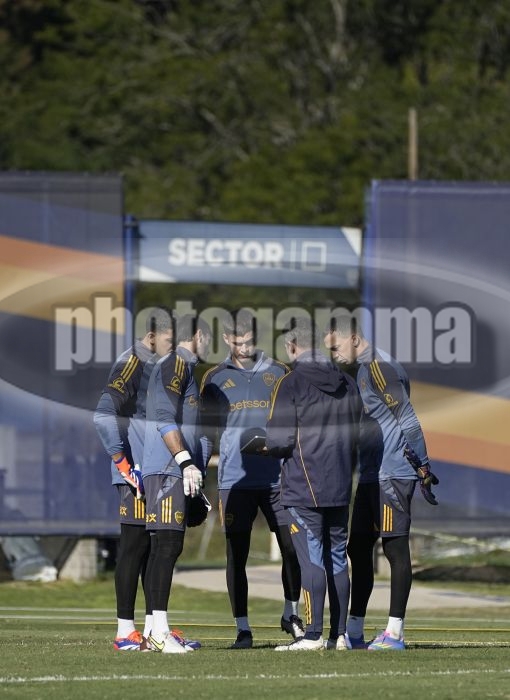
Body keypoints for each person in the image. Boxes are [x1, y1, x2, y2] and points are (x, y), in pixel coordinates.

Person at [324, 314, 439, 651]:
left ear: (353, 338)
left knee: (394, 548)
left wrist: (423, 466)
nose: (335, 355)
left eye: (336, 347)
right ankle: (354, 631)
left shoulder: (378, 367)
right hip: (372, 473)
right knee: (358, 548)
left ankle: (395, 633)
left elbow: (408, 419)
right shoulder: (363, 370)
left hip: (393, 473)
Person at [200, 308, 303, 649]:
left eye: (250, 341)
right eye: (237, 342)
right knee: (237, 555)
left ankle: (291, 614)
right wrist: (196, 472)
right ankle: (242, 629)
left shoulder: (280, 372)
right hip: (234, 481)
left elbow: (295, 424)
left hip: (277, 480)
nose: (244, 348)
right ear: (226, 339)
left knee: (292, 549)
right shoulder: (214, 378)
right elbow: (207, 433)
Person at [265, 317, 360, 651]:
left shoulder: (290, 383)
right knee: (338, 558)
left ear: (291, 346)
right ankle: (340, 635)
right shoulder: (348, 382)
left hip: (303, 485)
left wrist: (261, 443)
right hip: (340, 484)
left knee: (312, 560)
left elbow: (278, 440)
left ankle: (313, 634)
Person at [93, 306, 174, 651]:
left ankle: (155, 629)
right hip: (137, 474)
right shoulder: (132, 362)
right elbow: (102, 415)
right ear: (151, 336)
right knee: (134, 546)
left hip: (153, 470)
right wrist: (124, 464)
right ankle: (125, 631)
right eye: (169, 339)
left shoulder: (158, 365)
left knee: (154, 547)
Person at [142, 314, 212, 653]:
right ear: (197, 335)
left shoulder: (185, 368)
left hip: (175, 470)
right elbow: (163, 417)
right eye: (208, 338)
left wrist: (197, 473)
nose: (209, 346)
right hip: (168, 468)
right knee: (167, 546)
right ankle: (159, 632)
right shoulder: (176, 364)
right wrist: (185, 461)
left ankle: (153, 631)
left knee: (165, 548)